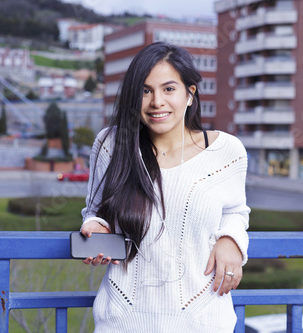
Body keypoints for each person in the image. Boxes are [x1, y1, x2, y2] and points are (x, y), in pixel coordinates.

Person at [80, 42, 250, 333]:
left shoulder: (226, 151)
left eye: (169, 89)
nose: (157, 101)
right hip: (121, 321)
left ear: (190, 94)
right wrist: (95, 227)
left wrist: (232, 240)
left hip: (203, 320)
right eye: (145, 90)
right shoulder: (112, 145)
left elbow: (236, 210)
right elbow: (94, 210)